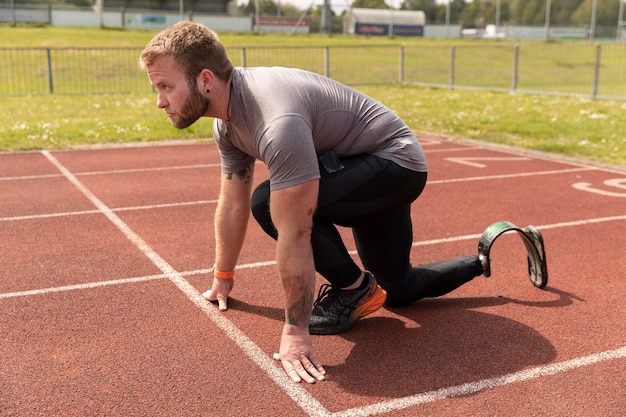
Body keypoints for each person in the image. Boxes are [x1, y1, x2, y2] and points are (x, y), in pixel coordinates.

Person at [139, 21, 547, 384]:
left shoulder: (275, 119)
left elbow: (296, 229)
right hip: (356, 166)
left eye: (165, 87)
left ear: (205, 79)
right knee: (399, 288)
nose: (159, 101)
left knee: (271, 204)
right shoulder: (226, 126)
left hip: (395, 164)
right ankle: (485, 254)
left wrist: (295, 332)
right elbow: (231, 203)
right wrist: (222, 275)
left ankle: (354, 290)